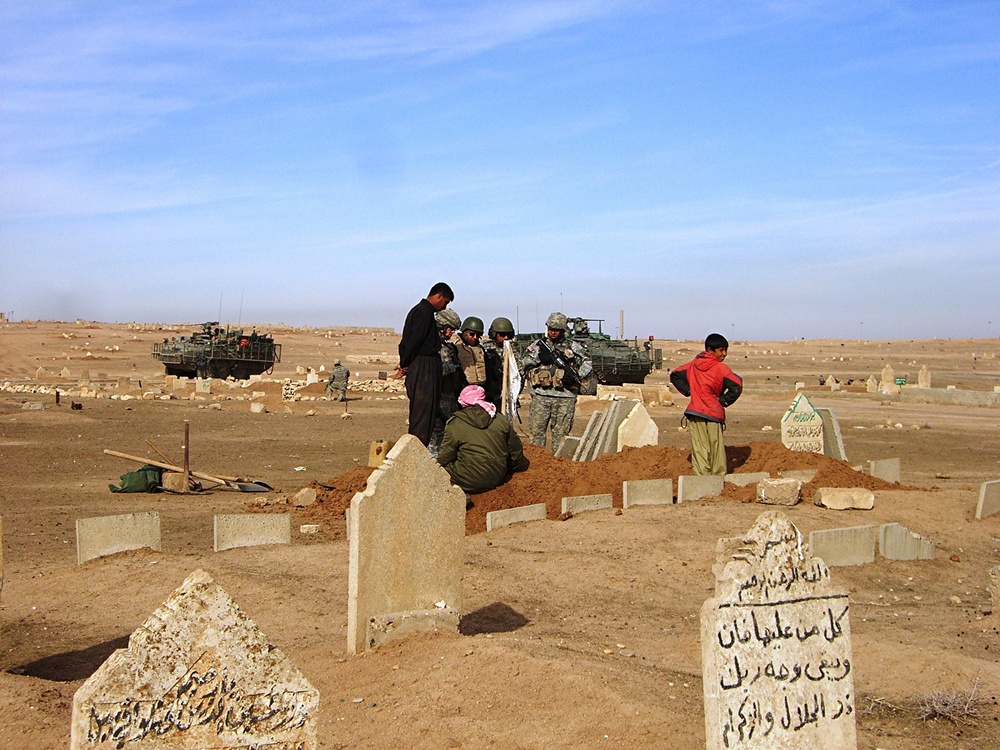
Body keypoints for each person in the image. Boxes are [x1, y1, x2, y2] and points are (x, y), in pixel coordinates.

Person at [669, 333, 743, 476]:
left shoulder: (692, 366)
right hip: (713, 413)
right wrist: (723, 402)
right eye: (721, 350)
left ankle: (702, 479)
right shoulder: (721, 369)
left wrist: (689, 391)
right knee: (716, 446)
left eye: (725, 350)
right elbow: (737, 385)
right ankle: (717, 478)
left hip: (695, 412)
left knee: (699, 447)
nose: (724, 354)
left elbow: (675, 374)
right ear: (710, 350)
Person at [519, 311, 593, 453]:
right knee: (536, 435)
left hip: (565, 396)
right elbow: (524, 363)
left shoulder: (573, 346)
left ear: (563, 330)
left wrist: (576, 375)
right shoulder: (538, 345)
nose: (553, 333)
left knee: (561, 437)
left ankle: (559, 468)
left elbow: (588, 361)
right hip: (541, 395)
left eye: (557, 330)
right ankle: (536, 466)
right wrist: (538, 358)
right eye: (551, 329)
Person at [396, 282, 454, 446]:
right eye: (446, 302)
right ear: (439, 296)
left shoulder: (422, 311)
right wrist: (405, 364)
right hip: (424, 368)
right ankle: (414, 453)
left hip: (423, 365)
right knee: (423, 415)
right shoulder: (423, 312)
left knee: (425, 413)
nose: (444, 307)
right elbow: (413, 341)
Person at [438, 384, 524, 495]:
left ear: (463, 402)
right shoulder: (500, 420)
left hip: (467, 481)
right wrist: (508, 470)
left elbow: (445, 456)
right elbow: (516, 451)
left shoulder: (455, 423)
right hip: (497, 477)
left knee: (441, 471)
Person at [428, 308, 465, 458]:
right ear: (442, 327)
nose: (452, 333)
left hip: (449, 396)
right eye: (450, 329)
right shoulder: (433, 347)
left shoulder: (449, 347)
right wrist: (452, 367)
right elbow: (436, 372)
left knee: (449, 433)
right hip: (437, 395)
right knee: (436, 435)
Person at [482, 316, 516, 411]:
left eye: (508, 334)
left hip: (507, 396)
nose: (506, 337)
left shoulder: (512, 352)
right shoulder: (485, 350)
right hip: (489, 396)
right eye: (502, 334)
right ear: (494, 334)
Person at [453, 316, 487, 387]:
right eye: (472, 334)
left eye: (478, 335)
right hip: (462, 388)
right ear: (464, 332)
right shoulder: (455, 346)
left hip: (480, 387)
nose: (475, 337)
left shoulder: (480, 349)